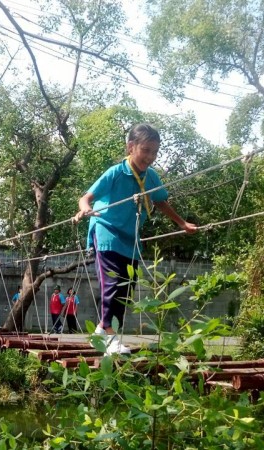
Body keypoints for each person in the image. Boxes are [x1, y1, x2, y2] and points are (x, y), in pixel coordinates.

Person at [74, 124, 198, 354]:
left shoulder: (151, 177)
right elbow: (86, 198)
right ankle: (110, 337)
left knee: (126, 287)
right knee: (113, 283)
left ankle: (100, 331)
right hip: (106, 231)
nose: (150, 157)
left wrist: (182, 223)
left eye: (155, 152)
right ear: (131, 147)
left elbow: (160, 201)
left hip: (130, 238)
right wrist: (85, 208)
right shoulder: (115, 172)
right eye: (146, 150)